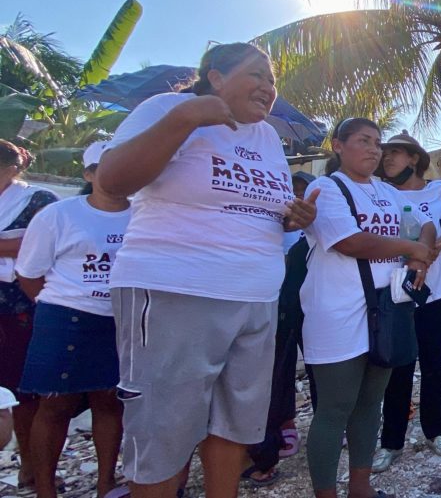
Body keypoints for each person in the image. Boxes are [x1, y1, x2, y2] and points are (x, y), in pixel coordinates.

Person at [95, 42, 319, 498]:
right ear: (215, 76)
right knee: (164, 429)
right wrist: (188, 117)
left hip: (255, 298)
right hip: (174, 290)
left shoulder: (267, 138)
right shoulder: (166, 108)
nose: (268, 87)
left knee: (236, 425)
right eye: (257, 74)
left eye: (272, 80)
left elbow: (255, 209)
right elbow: (113, 182)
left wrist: (291, 216)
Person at [299, 118, 436, 498]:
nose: (374, 150)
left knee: (370, 404)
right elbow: (350, 242)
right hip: (338, 312)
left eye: (378, 143)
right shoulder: (325, 188)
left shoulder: (385, 190)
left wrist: (420, 258)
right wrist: (410, 249)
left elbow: (425, 225)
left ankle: (362, 488)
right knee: (334, 408)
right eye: (364, 141)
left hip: (386, 311)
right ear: (338, 146)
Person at [15, 142, 130, 498]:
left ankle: (106, 483)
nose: (114, 175)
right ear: (89, 174)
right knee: (54, 405)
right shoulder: (59, 215)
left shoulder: (146, 215)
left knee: (110, 402)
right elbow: (29, 272)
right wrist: (63, 304)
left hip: (121, 321)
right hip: (64, 318)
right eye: (103, 167)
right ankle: (46, 489)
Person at [373, 131, 441, 472]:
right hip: (396, 291)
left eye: (395, 153)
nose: (387, 159)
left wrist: (437, 246)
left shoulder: (439, 189)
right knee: (397, 365)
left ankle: (436, 431)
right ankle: (391, 441)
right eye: (385, 153)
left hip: (439, 289)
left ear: (414, 158)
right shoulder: (378, 191)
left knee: (433, 363)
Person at [244, 170, 319, 485]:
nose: (297, 197)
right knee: (270, 376)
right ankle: (266, 446)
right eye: (293, 191)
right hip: (270, 305)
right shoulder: (271, 223)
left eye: (303, 191)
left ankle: (290, 430)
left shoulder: (313, 225)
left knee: (307, 367)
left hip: (305, 307)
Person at [0, 140, 59, 491]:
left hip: (23, 304)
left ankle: (33, 466)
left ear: (12, 168)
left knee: (25, 392)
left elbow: (37, 243)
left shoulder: (38, 200)